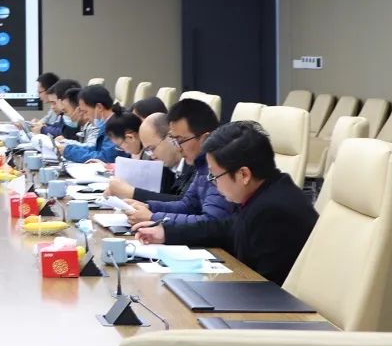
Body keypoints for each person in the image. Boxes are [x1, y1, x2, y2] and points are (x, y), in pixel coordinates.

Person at [135, 121, 318, 285]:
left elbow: (264, 288)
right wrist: (166, 232)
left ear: (244, 175)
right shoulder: (264, 193)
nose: (213, 183)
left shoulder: (273, 212)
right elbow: (225, 228)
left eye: (215, 176)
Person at [123, 99, 235, 226]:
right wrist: (149, 207)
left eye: (180, 140)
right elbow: (188, 205)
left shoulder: (221, 166)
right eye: (174, 140)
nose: (178, 147)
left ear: (204, 139)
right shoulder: (201, 164)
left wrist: (153, 217)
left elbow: (212, 223)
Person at [105, 112, 185, 199]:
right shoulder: (169, 165)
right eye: (148, 150)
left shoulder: (192, 166)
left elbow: (184, 203)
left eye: (152, 148)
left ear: (171, 137)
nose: (152, 156)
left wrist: (131, 192)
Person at [58, 85, 126, 163]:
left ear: (99, 107)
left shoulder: (116, 126)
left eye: (85, 112)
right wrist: (68, 149)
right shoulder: (107, 124)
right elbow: (96, 149)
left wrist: (69, 152)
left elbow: (106, 158)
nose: (85, 117)